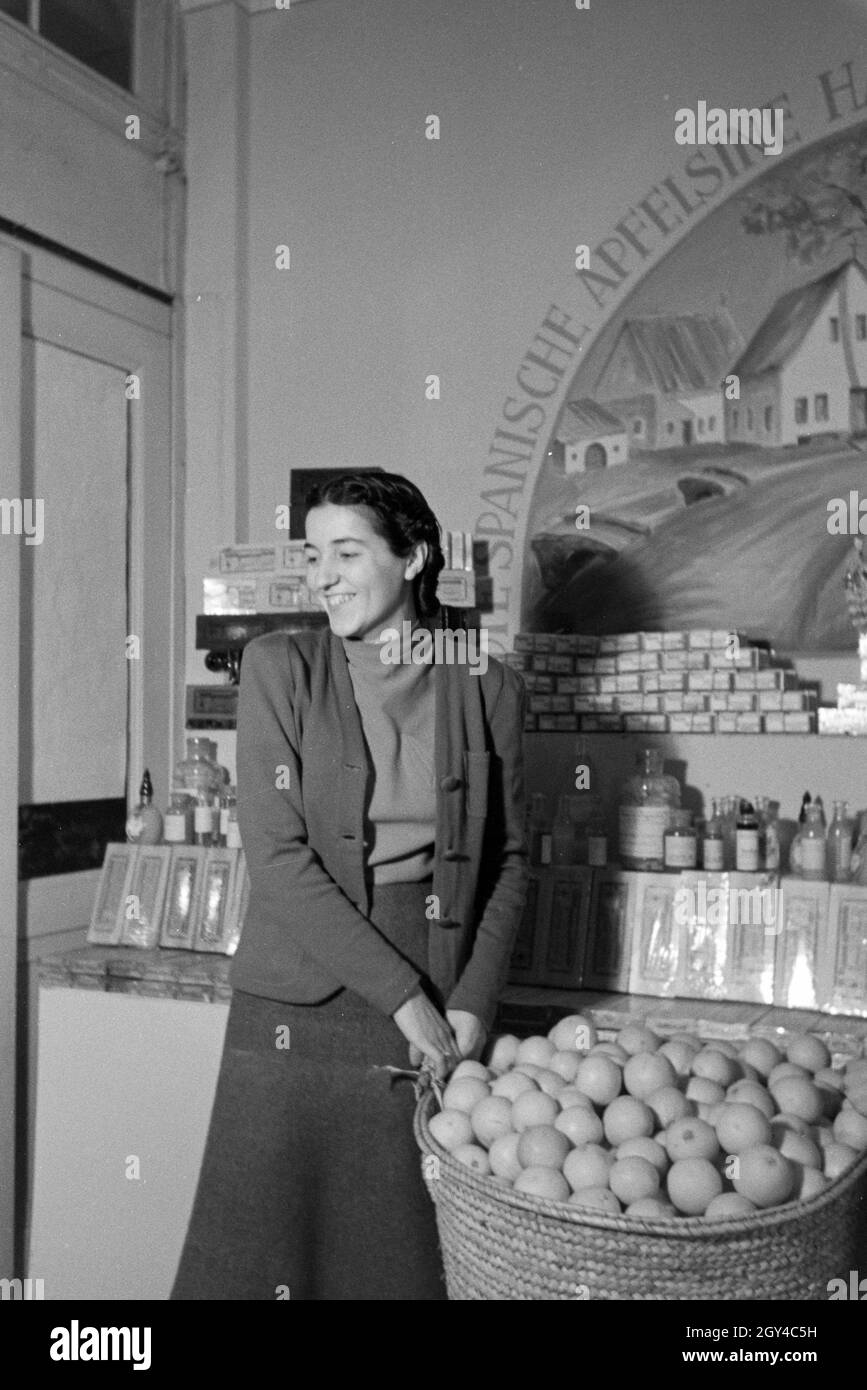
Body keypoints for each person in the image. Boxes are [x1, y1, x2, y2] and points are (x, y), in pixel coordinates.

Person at [171, 471, 529, 1301]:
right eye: (313, 554)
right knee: (253, 1253)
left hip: (434, 993)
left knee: (393, 1255)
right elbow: (278, 854)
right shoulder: (278, 666)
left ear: (413, 557)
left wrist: (470, 1001)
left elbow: (511, 861)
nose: (322, 574)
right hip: (294, 997)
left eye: (347, 551)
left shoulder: (488, 683)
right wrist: (402, 996)